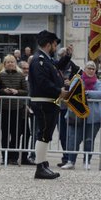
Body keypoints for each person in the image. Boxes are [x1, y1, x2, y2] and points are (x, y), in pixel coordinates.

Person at [27, 30, 70, 179]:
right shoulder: (39, 60)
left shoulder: (46, 59)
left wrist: (67, 56)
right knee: (44, 134)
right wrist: (59, 91)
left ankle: (43, 163)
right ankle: (40, 167)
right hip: (43, 102)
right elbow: (43, 82)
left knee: (46, 134)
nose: (56, 48)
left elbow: (56, 67)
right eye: (54, 44)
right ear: (48, 44)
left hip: (49, 102)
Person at [62, 61, 101, 169]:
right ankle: (70, 161)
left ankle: (87, 161)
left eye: (93, 69)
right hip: (76, 115)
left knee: (89, 140)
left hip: (93, 118)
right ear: (84, 69)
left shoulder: (98, 82)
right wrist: (87, 93)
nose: (91, 70)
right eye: (89, 68)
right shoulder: (77, 79)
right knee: (74, 139)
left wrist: (86, 93)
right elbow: (73, 91)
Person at [0, 54, 30, 165]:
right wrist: (3, 91)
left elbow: (26, 91)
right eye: (8, 62)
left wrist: (16, 92)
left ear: (15, 63)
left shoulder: (20, 75)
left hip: (17, 108)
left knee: (16, 133)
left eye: (12, 62)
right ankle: (5, 157)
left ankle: (13, 157)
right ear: (4, 64)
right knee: (5, 133)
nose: (10, 64)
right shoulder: (0, 75)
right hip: (5, 108)